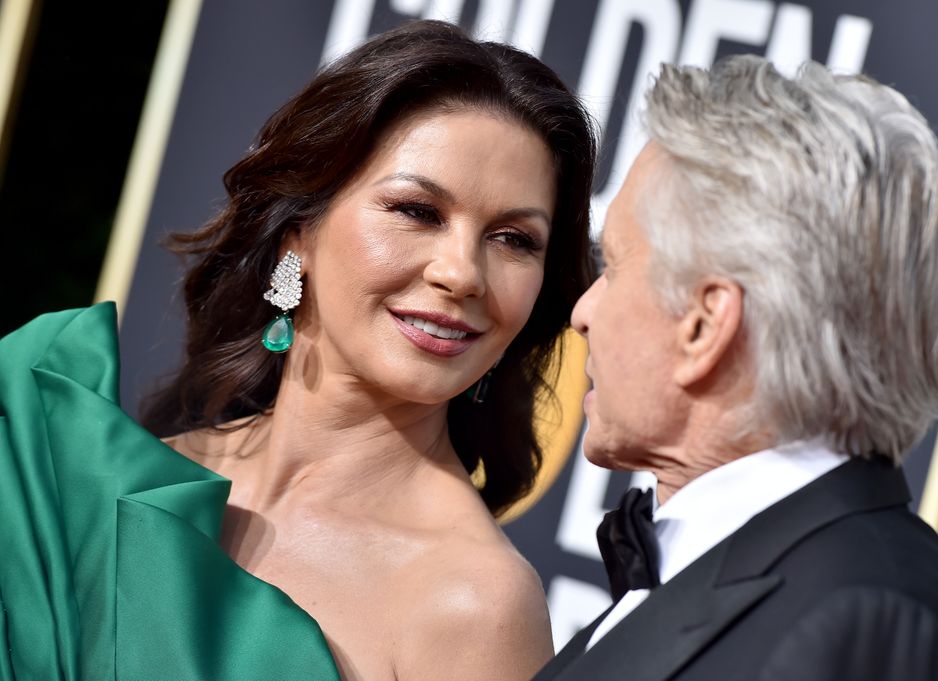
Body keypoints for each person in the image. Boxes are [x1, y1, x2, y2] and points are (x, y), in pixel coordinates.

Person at [0, 19, 597, 680]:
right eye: (418, 211)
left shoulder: (476, 606)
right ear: (297, 233)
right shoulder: (102, 473)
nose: (462, 273)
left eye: (514, 238)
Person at [533, 55, 938, 681]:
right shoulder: (803, 589)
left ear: (704, 326)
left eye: (615, 266)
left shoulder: (871, 622)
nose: (583, 311)